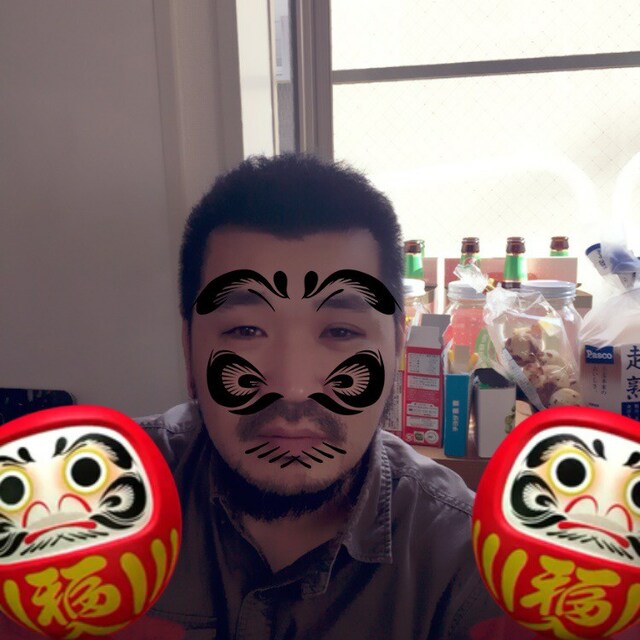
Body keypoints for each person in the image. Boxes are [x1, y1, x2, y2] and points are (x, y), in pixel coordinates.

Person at [134, 153, 509, 640]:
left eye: (340, 331)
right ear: (189, 350)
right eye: (246, 330)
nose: (293, 388)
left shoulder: (467, 562)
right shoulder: (94, 500)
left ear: (397, 349)